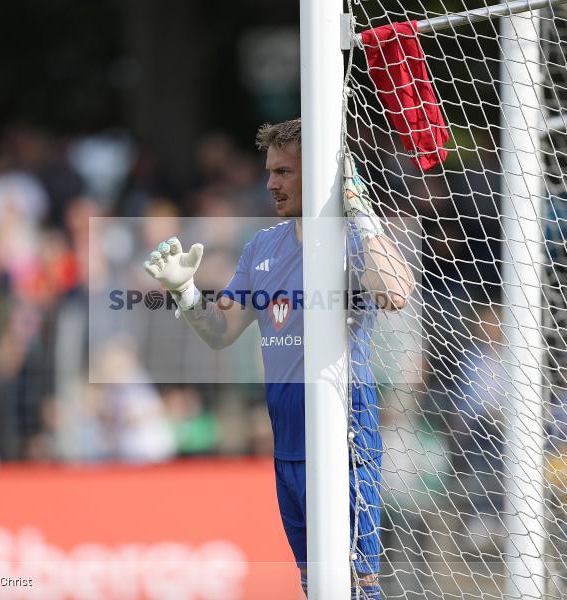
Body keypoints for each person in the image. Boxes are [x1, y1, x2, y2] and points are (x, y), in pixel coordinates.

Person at [144, 118, 414, 598]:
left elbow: (396, 293)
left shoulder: (351, 240)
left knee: (358, 587)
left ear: (318, 176)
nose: (271, 183)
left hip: (344, 442)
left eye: (285, 172)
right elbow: (221, 331)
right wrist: (185, 292)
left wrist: (363, 215)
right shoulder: (262, 246)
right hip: (287, 442)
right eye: (270, 171)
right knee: (314, 587)